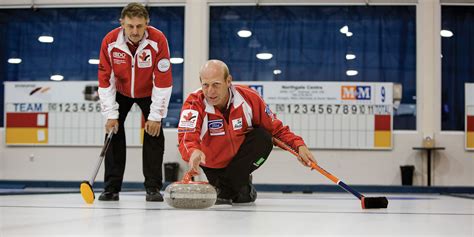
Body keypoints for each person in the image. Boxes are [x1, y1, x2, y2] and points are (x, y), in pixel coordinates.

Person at [177, 60, 316, 205]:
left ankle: (229, 186)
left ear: (228, 81)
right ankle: (237, 187)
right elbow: (186, 136)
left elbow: (275, 129)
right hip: (212, 164)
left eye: (216, 84)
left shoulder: (249, 97)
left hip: (239, 162)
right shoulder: (194, 103)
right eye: (205, 85)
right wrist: (193, 151)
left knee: (263, 137)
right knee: (242, 197)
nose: (210, 91)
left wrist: (299, 146)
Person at [97, 3, 173, 202]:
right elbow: (105, 81)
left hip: (149, 91)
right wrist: (110, 115)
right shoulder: (110, 42)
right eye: (130, 26)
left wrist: (156, 116)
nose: (135, 31)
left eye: (140, 26)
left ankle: (153, 188)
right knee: (113, 134)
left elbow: (163, 81)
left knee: (154, 134)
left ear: (147, 23)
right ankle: (111, 188)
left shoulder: (158, 40)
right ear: (122, 23)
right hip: (121, 92)